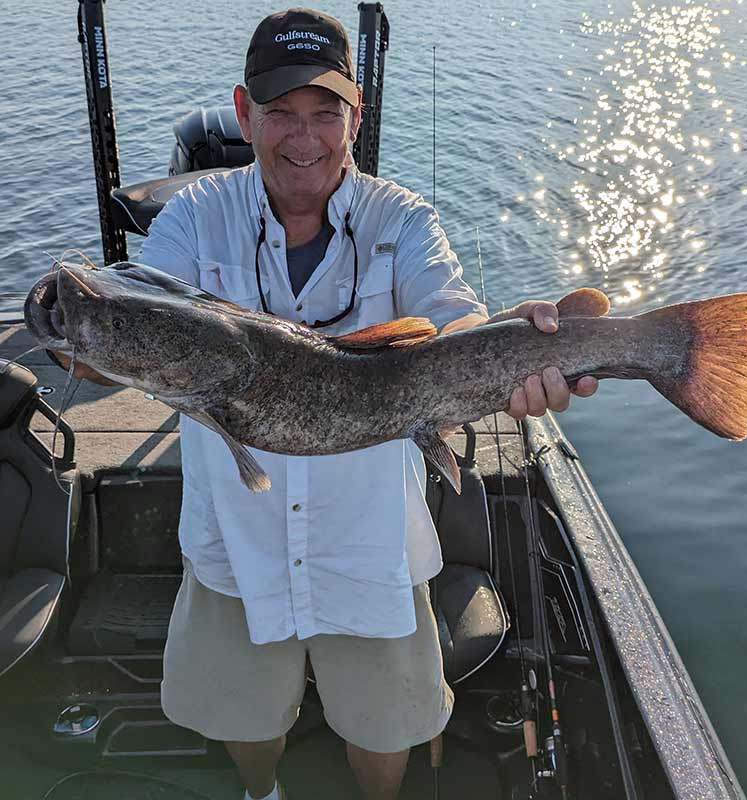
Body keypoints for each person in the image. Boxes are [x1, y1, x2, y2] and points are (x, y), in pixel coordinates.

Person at [57, 9, 598, 799]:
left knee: (387, 727)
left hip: (370, 544)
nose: (302, 139)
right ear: (244, 114)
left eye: (323, 115)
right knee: (246, 719)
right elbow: (131, 319)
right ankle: (262, 792)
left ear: (355, 116)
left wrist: (529, 343)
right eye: (280, 115)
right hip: (233, 551)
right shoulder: (194, 218)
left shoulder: (403, 220)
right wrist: (86, 341)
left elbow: (458, 319)